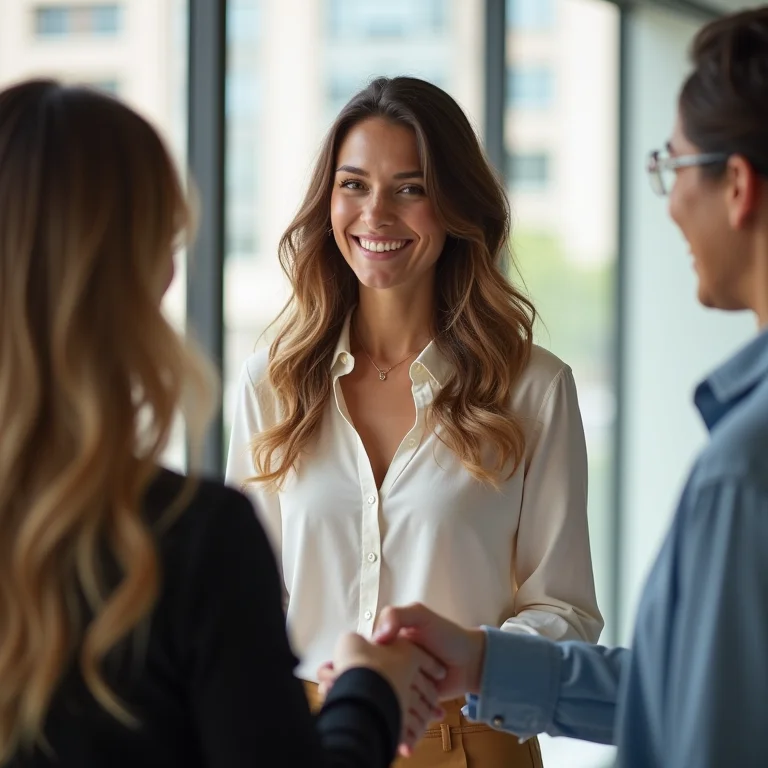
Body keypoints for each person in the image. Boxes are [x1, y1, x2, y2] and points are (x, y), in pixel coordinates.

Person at [0, 78, 446, 768]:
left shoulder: (538, 388)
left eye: (409, 187)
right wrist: (368, 693)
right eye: (165, 239)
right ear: (137, 274)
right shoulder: (195, 543)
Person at [363, 8, 768, 768]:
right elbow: (682, 688)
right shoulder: (271, 381)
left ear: (737, 185)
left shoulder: (742, 471)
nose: (670, 201)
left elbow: (709, 726)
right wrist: (483, 660)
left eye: (671, 167)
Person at [226, 75, 603, 767]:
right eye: (354, 184)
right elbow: (244, 602)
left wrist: (450, 658)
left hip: (472, 740)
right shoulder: (269, 384)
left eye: (411, 187)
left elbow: (567, 608)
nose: (376, 214)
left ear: (456, 205)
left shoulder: (535, 387)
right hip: (307, 736)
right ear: (328, 199)